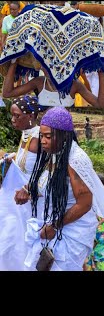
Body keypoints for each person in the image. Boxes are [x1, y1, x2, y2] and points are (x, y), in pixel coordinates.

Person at [15, 107, 104, 271]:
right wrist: (28, 189)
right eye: (41, 135)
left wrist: (54, 227)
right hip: (50, 224)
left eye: (48, 136)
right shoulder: (54, 153)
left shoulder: (75, 160)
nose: (43, 141)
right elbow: (47, 180)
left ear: (64, 135)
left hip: (68, 231)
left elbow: (84, 203)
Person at [0, 95, 43, 270]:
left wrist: (28, 188)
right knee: (10, 243)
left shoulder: (40, 138)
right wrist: (11, 158)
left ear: (31, 116)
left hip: (32, 202)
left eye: (17, 116)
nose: (12, 120)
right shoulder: (27, 135)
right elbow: (27, 163)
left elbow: (46, 171)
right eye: (12, 115)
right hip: (20, 203)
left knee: (21, 244)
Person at [2, 62, 104, 108]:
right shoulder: (39, 82)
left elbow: (101, 105)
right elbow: (7, 93)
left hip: (64, 135)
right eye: (44, 66)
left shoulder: (74, 85)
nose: (47, 70)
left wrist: (101, 73)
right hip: (44, 136)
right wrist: (14, 63)